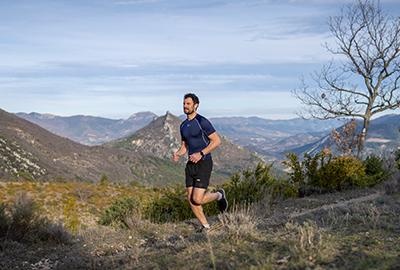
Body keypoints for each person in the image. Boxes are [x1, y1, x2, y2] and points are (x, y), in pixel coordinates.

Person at [173, 93, 228, 231]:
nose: (185, 106)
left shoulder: (202, 121)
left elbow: (216, 141)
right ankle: (206, 227)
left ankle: (219, 195)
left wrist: (201, 153)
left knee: (197, 199)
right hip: (190, 165)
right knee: (191, 199)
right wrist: (178, 153)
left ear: (195, 105)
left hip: (204, 162)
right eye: (184, 103)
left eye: (188, 104)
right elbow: (184, 146)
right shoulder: (183, 125)